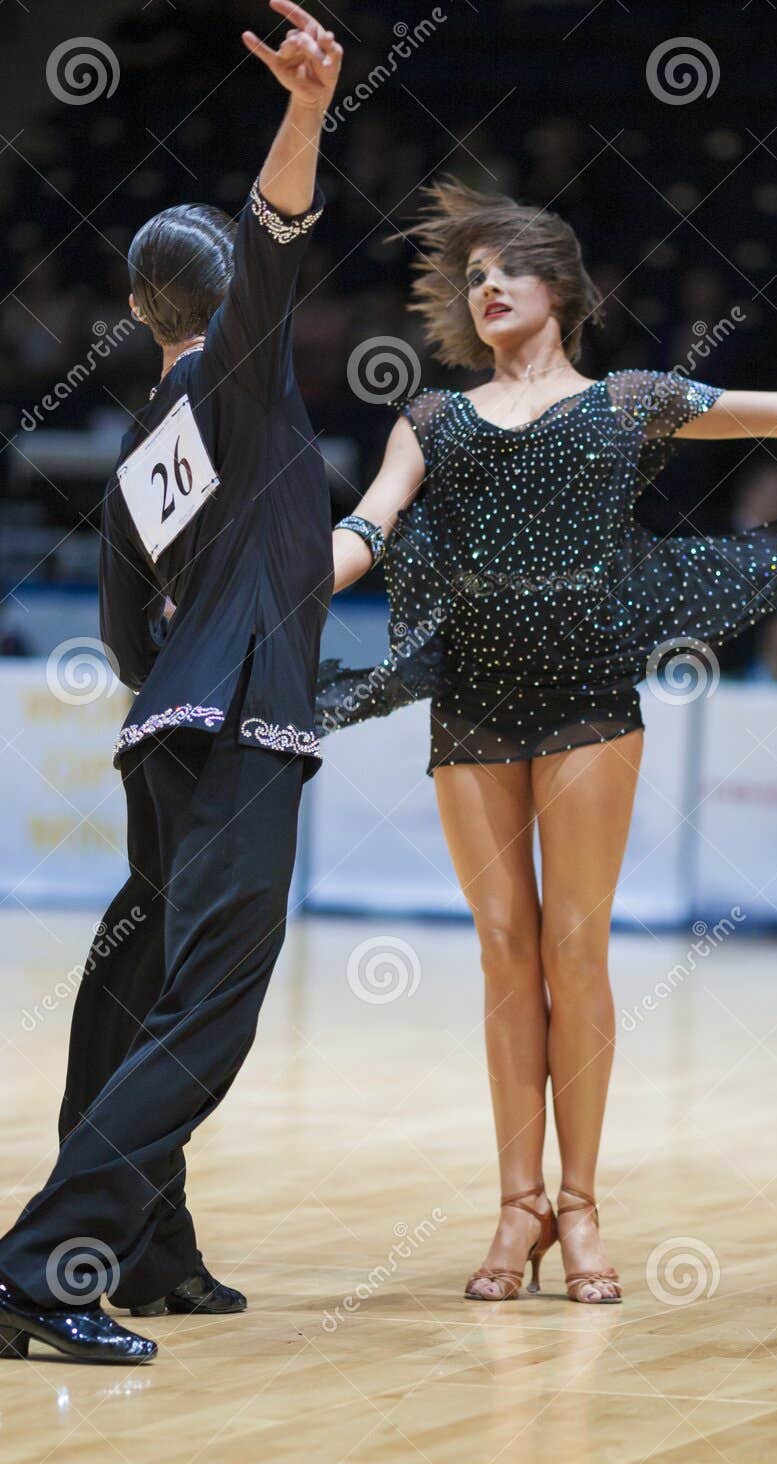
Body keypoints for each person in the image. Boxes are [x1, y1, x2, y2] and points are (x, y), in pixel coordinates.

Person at [317, 178, 777, 1306]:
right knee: (503, 947)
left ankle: (583, 1202)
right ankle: (515, 1205)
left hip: (587, 690)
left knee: (575, 944)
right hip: (470, 692)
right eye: (473, 274)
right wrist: (273, 590)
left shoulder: (628, 401)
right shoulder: (431, 420)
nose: (487, 285)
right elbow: (367, 526)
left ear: (558, 287)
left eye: (507, 267)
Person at [0, 3, 342, 1366]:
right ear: (216, 309)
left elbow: (127, 624)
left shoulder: (143, 437)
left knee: (136, 978)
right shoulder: (242, 386)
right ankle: (39, 1264)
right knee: (209, 1004)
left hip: (165, 730)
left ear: (139, 314)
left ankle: (143, 1245)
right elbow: (276, 241)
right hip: (244, 719)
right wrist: (306, 111)